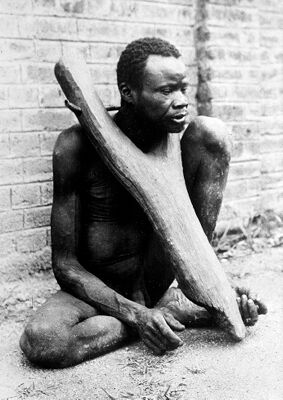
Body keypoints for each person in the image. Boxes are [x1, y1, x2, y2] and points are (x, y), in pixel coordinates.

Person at [20, 37, 267, 368]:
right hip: (97, 292)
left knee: (212, 132)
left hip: (154, 283)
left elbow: (191, 238)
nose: (181, 101)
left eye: (183, 89)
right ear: (128, 93)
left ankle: (170, 307)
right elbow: (65, 265)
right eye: (166, 91)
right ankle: (168, 314)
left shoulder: (189, 146)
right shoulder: (74, 146)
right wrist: (136, 316)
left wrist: (213, 286)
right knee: (43, 340)